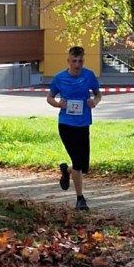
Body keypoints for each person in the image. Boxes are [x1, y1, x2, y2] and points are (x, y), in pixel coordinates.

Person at [46, 46, 102, 211]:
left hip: (83, 124)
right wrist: (58, 104)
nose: (77, 64)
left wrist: (95, 101)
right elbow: (49, 97)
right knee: (78, 160)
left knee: (84, 166)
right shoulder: (60, 78)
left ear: (83, 61)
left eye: (80, 61)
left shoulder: (89, 75)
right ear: (68, 61)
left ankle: (67, 171)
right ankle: (80, 199)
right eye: (74, 61)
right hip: (66, 124)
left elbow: (98, 94)